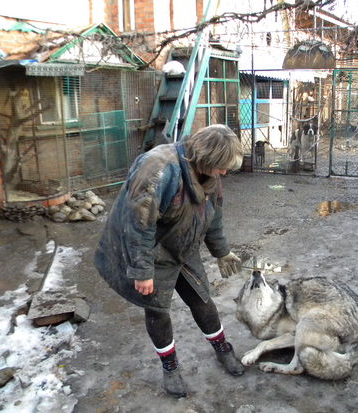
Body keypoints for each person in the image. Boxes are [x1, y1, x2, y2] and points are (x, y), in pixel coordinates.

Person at [94, 124, 245, 398]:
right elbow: (139, 224)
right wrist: (142, 270)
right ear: (206, 157)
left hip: (182, 245)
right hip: (150, 250)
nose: (224, 173)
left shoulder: (210, 172)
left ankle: (223, 348)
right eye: (221, 167)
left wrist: (221, 251)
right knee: (157, 309)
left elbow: (213, 215)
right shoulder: (158, 169)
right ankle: (170, 366)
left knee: (201, 298)